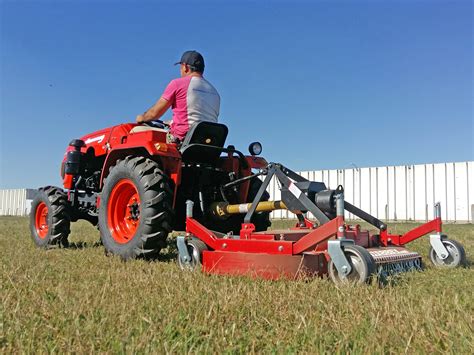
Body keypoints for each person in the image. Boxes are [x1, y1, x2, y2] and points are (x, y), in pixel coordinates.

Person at [136, 50, 221, 144]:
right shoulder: (214, 91)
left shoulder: (177, 84)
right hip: (210, 142)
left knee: (136, 131)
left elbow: (154, 114)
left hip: (183, 140)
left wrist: (141, 117)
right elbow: (198, 117)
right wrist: (172, 122)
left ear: (185, 67)